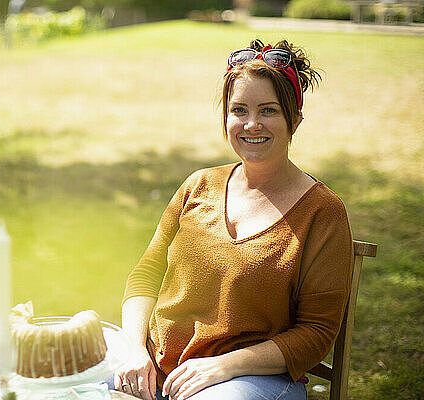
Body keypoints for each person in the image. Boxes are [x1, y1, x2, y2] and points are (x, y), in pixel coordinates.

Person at [111, 39, 354, 400]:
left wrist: (224, 366)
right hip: (156, 369)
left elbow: (316, 333)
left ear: (295, 120)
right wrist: (133, 350)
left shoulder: (322, 212)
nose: (252, 124)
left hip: (249, 379)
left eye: (268, 110)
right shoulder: (199, 185)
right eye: (239, 109)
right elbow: (146, 276)